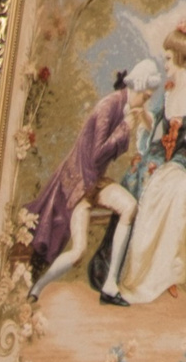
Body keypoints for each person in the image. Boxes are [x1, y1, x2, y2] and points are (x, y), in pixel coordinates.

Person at [25, 60, 159, 300]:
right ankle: (37, 288)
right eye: (145, 97)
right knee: (78, 251)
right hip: (78, 186)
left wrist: (142, 123)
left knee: (130, 207)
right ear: (137, 87)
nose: (145, 102)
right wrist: (124, 129)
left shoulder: (127, 107)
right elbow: (96, 155)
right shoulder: (108, 106)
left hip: (95, 182)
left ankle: (110, 284)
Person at [110, 28, 186, 304]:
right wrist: (141, 115)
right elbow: (153, 125)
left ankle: (168, 272)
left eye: (168, 59)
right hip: (162, 156)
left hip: (182, 160)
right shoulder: (169, 93)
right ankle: (142, 273)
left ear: (181, 57)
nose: (164, 64)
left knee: (174, 190)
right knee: (143, 179)